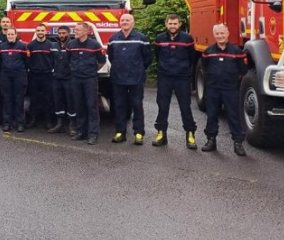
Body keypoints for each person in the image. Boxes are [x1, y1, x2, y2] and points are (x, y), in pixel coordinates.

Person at [201, 24, 247, 156]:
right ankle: (211, 140)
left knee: (233, 115)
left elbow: (243, 70)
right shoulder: (208, 52)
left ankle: (238, 143)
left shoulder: (237, 51)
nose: (220, 36)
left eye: (222, 33)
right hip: (213, 88)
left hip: (230, 88)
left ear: (228, 34)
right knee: (212, 115)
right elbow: (205, 69)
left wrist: (233, 81)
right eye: (217, 34)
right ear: (214, 35)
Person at [153, 14, 198, 149]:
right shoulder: (159, 38)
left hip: (182, 78)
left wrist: (186, 72)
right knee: (162, 107)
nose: (172, 26)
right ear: (166, 24)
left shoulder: (187, 39)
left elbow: (192, 58)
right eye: (170, 23)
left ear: (179, 24)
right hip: (164, 78)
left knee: (185, 107)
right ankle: (161, 134)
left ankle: (190, 134)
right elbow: (157, 56)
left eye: (175, 23)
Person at [108, 14, 152, 145]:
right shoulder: (113, 39)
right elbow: (111, 57)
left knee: (137, 106)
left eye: (127, 20)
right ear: (119, 23)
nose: (125, 22)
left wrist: (138, 68)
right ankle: (120, 132)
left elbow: (147, 58)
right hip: (118, 79)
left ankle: (138, 133)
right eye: (122, 20)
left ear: (133, 23)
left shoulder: (141, 38)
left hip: (136, 78)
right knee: (119, 106)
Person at [69, 22, 107, 145]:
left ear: (86, 31)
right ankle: (81, 132)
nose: (75, 32)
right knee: (79, 106)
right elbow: (68, 61)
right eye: (75, 30)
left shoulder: (95, 45)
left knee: (91, 106)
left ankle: (93, 134)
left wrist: (91, 71)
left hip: (90, 80)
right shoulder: (71, 44)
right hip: (76, 79)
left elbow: (102, 61)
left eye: (78, 30)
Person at [0, 27, 29, 132]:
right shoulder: (2, 46)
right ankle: (7, 123)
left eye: (12, 34)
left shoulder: (22, 46)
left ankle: (20, 123)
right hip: (5, 76)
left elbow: (26, 62)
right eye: (9, 34)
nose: (10, 36)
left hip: (19, 76)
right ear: (6, 35)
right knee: (7, 100)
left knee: (19, 100)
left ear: (16, 35)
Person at [48, 25, 77, 135]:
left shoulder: (73, 45)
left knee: (71, 101)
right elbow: (50, 60)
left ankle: (72, 125)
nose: (61, 35)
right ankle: (59, 123)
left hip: (69, 78)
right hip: (56, 78)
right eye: (60, 33)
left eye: (64, 33)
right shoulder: (54, 46)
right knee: (58, 101)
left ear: (68, 34)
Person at [27, 23, 55, 129]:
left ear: (46, 32)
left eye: (42, 30)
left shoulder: (51, 46)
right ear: (36, 31)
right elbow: (27, 60)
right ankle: (33, 119)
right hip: (34, 76)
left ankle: (48, 121)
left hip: (48, 75)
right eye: (38, 30)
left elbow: (54, 60)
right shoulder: (30, 46)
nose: (40, 32)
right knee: (34, 99)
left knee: (49, 99)